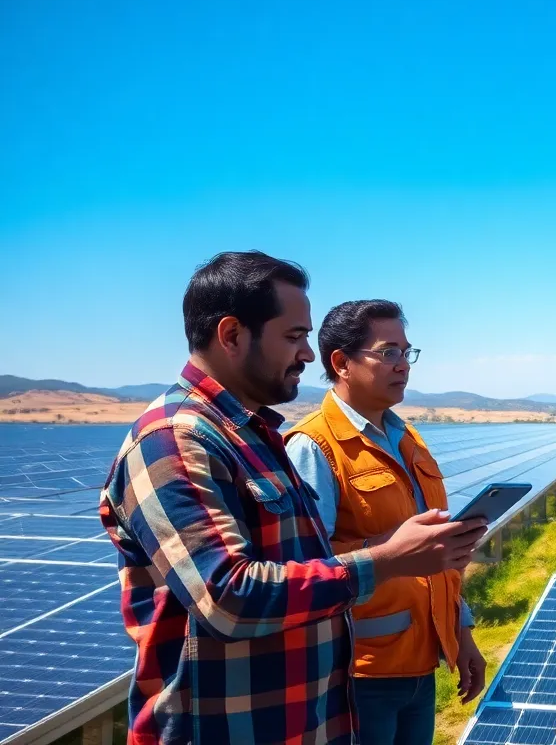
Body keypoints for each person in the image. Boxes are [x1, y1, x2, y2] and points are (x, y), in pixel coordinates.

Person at [98, 252, 487, 745]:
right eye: (294, 336)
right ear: (232, 335)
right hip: (226, 729)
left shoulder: (254, 436)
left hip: (296, 720)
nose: (308, 354)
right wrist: (386, 560)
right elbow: (227, 596)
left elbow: (306, 566)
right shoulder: (174, 440)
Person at [284, 300, 486, 745]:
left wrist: (461, 629)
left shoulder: (408, 439)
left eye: (407, 352)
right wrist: (391, 548)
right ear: (341, 363)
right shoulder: (313, 448)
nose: (404, 366)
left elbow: (436, 553)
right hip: (358, 675)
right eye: (388, 352)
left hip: (422, 663)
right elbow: (300, 569)